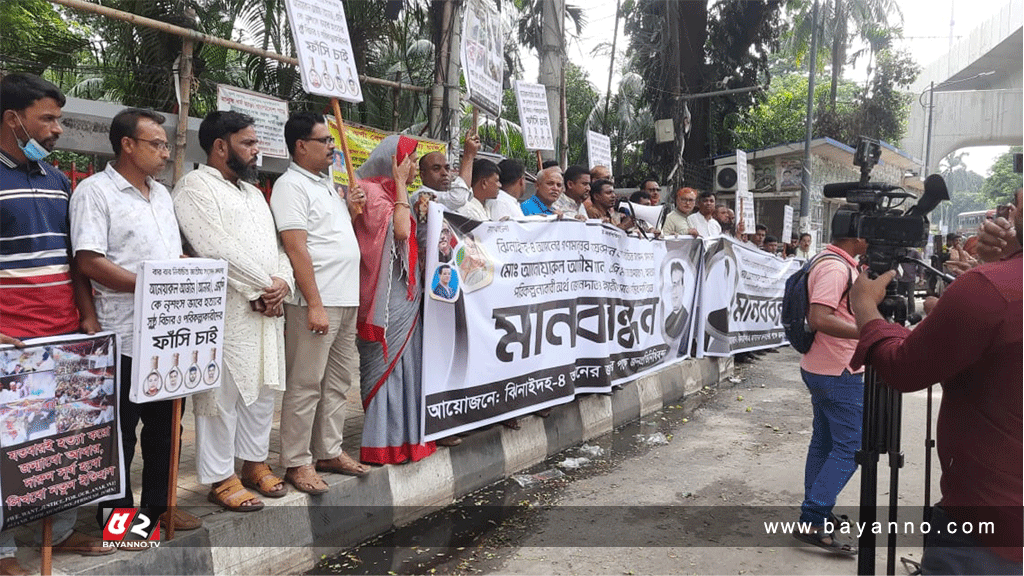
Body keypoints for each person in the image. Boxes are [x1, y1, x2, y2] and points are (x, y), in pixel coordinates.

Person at [848, 188, 1021, 574]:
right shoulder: (991, 287)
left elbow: (902, 369)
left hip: (986, 529)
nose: (1010, 206)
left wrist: (865, 310)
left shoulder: (988, 290)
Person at [70, 107, 202, 534]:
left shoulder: (161, 194)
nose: (165, 152)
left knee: (167, 429)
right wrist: (155, 288)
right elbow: (90, 261)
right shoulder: (94, 192)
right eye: (157, 144)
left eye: (166, 144)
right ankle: (119, 520)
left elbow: (167, 258)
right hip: (121, 333)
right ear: (127, 144)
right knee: (120, 433)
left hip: (168, 337)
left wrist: (191, 274)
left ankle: (159, 510)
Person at [0, 72, 110, 575]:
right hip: (11, 340)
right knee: (8, 445)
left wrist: (86, 315)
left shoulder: (58, 180)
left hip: (65, 334)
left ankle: (59, 533)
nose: (58, 129)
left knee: (62, 441)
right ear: (13, 119)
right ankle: (3, 552)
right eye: (48, 118)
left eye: (59, 118)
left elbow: (73, 259)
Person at [172, 111, 294, 512]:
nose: (257, 151)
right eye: (249, 143)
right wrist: (263, 285)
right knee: (220, 396)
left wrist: (282, 284)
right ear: (220, 147)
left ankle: (254, 464)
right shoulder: (194, 187)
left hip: (265, 309)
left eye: (257, 142)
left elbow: (278, 249)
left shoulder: (255, 193)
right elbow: (213, 246)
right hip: (225, 309)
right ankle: (220, 477)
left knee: (261, 391)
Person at [270, 112, 368, 496]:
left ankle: (328, 450)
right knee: (306, 384)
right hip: (317, 301)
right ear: (300, 146)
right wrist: (314, 303)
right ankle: (296, 460)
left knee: (338, 383)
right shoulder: (290, 186)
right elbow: (296, 247)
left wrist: (351, 211)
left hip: (345, 299)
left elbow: (331, 237)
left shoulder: (327, 184)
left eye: (331, 139)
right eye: (324, 140)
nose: (332, 146)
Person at [352, 135, 438, 464]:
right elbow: (400, 231)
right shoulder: (371, 193)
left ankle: (404, 439)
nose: (414, 166)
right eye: (410, 160)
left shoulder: (394, 194)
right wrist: (402, 187)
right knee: (387, 369)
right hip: (382, 299)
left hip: (405, 294)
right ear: (393, 163)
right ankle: (380, 444)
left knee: (407, 368)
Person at [790, 215, 867, 555]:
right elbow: (819, 318)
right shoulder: (836, 268)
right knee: (851, 447)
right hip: (837, 370)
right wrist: (868, 331)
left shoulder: (830, 260)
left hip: (824, 367)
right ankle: (813, 517)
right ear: (858, 236)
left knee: (824, 442)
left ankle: (816, 509)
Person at [414, 131, 478, 211]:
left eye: (447, 168)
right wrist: (469, 155)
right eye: (436, 169)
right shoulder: (420, 197)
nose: (444, 173)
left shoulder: (445, 197)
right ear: (422, 175)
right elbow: (458, 199)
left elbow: (463, 197)